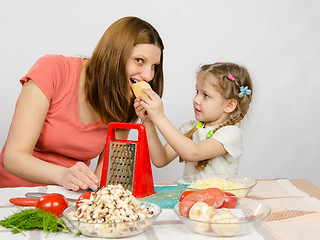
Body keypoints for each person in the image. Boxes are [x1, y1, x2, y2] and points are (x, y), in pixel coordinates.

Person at [0, 16, 164, 191]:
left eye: (154, 66)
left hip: (68, 198)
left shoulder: (125, 102)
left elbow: (103, 178)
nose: (148, 75)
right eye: (139, 60)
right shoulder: (52, 70)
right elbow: (13, 157)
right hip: (15, 194)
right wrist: (62, 175)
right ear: (114, 55)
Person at [134, 62, 252, 175]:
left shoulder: (230, 134)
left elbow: (193, 153)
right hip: (192, 196)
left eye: (206, 95)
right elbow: (160, 159)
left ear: (229, 105)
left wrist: (159, 117)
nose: (196, 99)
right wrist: (148, 121)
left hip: (220, 196)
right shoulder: (189, 127)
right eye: (197, 92)